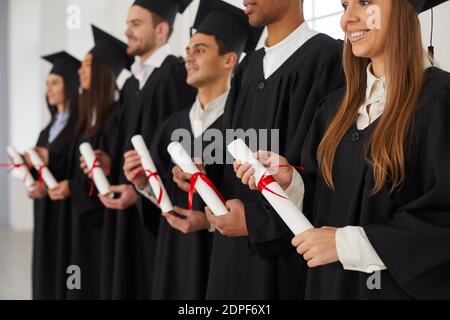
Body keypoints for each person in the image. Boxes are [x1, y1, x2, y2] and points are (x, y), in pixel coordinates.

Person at [236, 0, 450, 299]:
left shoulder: (439, 102)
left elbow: (441, 222)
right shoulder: (336, 108)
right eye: (345, 5)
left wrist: (343, 244)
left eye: (364, 3)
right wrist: (291, 182)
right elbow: (321, 202)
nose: (347, 19)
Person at [181, 0, 343, 299]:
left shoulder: (329, 57)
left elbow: (332, 171)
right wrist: (202, 172)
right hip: (233, 253)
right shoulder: (247, 67)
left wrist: (256, 221)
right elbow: (231, 149)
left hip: (292, 254)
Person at [124, 0, 263, 299]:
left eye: (199, 50)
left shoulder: (244, 125)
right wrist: (142, 183)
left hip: (222, 257)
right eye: (188, 50)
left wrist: (207, 222)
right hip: (173, 254)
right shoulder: (172, 125)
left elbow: (252, 204)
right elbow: (159, 199)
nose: (188, 58)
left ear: (229, 61)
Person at [80, 0, 196, 299]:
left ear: (161, 29)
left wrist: (145, 191)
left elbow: (182, 151)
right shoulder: (133, 84)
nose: (126, 31)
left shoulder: (175, 76)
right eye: (128, 23)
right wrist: (108, 163)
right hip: (128, 210)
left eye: (135, 24)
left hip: (157, 217)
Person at [49, 25, 131, 299]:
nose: (80, 72)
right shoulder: (88, 120)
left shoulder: (117, 118)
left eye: (87, 65)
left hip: (101, 222)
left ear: (103, 73)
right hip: (80, 219)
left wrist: (73, 188)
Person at [25, 52, 80, 300]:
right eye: (47, 84)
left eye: (54, 83)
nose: (48, 89)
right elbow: (38, 173)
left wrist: (52, 159)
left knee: (65, 266)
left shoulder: (80, 127)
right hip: (45, 210)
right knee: (45, 267)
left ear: (70, 85)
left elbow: (76, 167)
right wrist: (33, 186)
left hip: (67, 214)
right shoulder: (46, 130)